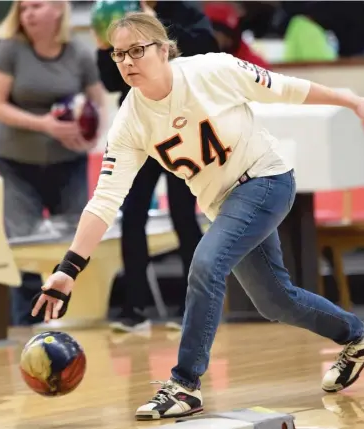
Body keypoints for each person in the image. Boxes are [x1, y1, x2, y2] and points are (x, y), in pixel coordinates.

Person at [32, 12, 364, 421]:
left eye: (137, 50)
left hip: (264, 179)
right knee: (275, 301)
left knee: (205, 263)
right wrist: (68, 270)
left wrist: (349, 99)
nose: (128, 61)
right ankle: (357, 336)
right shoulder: (130, 121)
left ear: (163, 49)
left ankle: (184, 385)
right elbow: (104, 200)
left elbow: (284, 89)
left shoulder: (212, 69)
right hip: (224, 203)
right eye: (119, 54)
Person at [95, 0, 218, 332]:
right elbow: (111, 82)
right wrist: (103, 47)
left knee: (183, 213)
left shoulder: (185, 11)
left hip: (181, 124)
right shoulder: (118, 12)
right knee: (133, 213)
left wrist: (154, 27)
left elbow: (204, 49)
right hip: (139, 126)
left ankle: (193, 307)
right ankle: (134, 307)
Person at [0, 0, 107, 325]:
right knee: (25, 245)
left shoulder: (79, 53)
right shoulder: (10, 49)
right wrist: (46, 125)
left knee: (72, 242)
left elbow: (98, 103)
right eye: (23, 9)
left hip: (68, 163)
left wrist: (90, 136)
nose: (28, 14)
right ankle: (25, 326)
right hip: (16, 162)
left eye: (36, 6)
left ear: (58, 10)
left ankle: (69, 322)